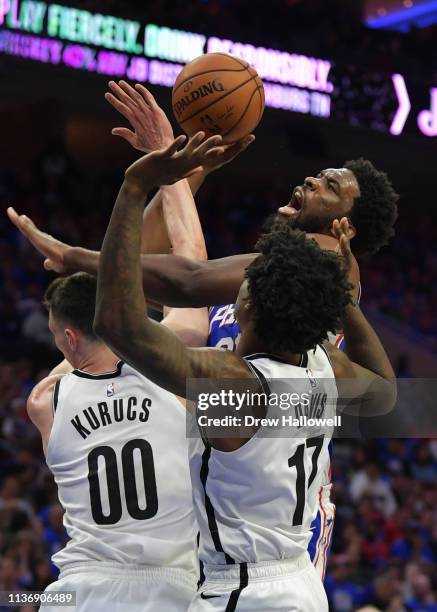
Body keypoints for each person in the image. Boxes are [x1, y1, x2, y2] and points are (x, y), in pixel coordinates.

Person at [92, 134, 396, 611]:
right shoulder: (318, 365)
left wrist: (132, 193)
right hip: (279, 552)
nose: (313, 179)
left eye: (331, 186)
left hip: (250, 568)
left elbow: (176, 287)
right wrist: (180, 178)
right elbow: (181, 274)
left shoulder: (317, 263)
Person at [25, 171, 214, 611]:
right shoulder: (170, 368)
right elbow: (191, 266)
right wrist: (178, 179)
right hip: (169, 590)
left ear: (68, 339)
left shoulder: (43, 401)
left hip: (78, 590)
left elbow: (94, 332)